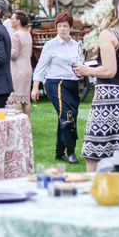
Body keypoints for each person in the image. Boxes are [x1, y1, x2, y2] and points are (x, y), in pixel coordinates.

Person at [76, 0, 119, 171]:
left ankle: (92, 190)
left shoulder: (108, 34)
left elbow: (109, 71)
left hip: (109, 98)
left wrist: (87, 70)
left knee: (93, 154)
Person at [32, 12, 81, 163]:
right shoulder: (50, 45)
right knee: (67, 116)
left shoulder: (77, 45)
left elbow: (79, 63)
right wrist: (35, 87)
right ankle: (71, 152)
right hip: (55, 83)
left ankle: (59, 152)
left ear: (70, 27)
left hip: (72, 83)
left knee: (70, 116)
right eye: (59, 26)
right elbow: (41, 67)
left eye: (65, 26)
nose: (62, 29)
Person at [8, 10, 33, 116]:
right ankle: (27, 125)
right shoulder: (28, 33)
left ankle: (18, 125)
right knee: (26, 99)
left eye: (13, 19)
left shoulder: (16, 35)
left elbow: (14, 55)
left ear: (18, 21)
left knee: (17, 98)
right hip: (27, 68)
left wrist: (4, 51)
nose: (11, 21)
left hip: (18, 70)